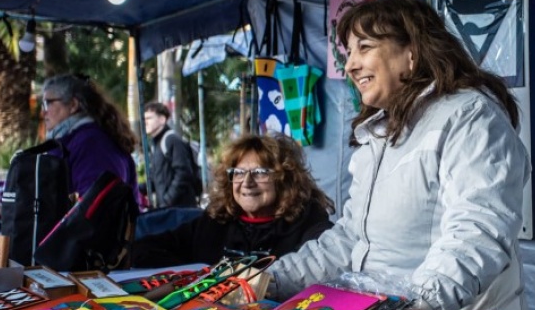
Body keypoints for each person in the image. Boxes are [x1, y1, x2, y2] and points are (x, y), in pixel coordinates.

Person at [268, 0, 531, 310]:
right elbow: (351, 240)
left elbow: (477, 227)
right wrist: (271, 280)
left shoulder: (469, 116)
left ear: (413, 53)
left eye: (365, 47)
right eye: (349, 52)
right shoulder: (378, 135)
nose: (350, 66)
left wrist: (423, 304)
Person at [131, 133, 335, 267]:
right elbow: (142, 249)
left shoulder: (308, 222)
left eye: (260, 172)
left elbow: (325, 264)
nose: (247, 182)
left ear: (284, 178)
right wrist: (198, 276)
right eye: (238, 173)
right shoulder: (215, 222)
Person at [41, 73, 140, 203]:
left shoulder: (92, 144)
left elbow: (95, 209)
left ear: (72, 105)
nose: (43, 112)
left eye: (48, 103)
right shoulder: (78, 140)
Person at [143, 102, 200, 208]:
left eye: (149, 118)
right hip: (169, 211)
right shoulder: (155, 145)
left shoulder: (172, 140)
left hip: (181, 211)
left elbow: (183, 174)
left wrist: (167, 202)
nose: (145, 122)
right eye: (144, 119)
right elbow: (155, 178)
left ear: (162, 119)